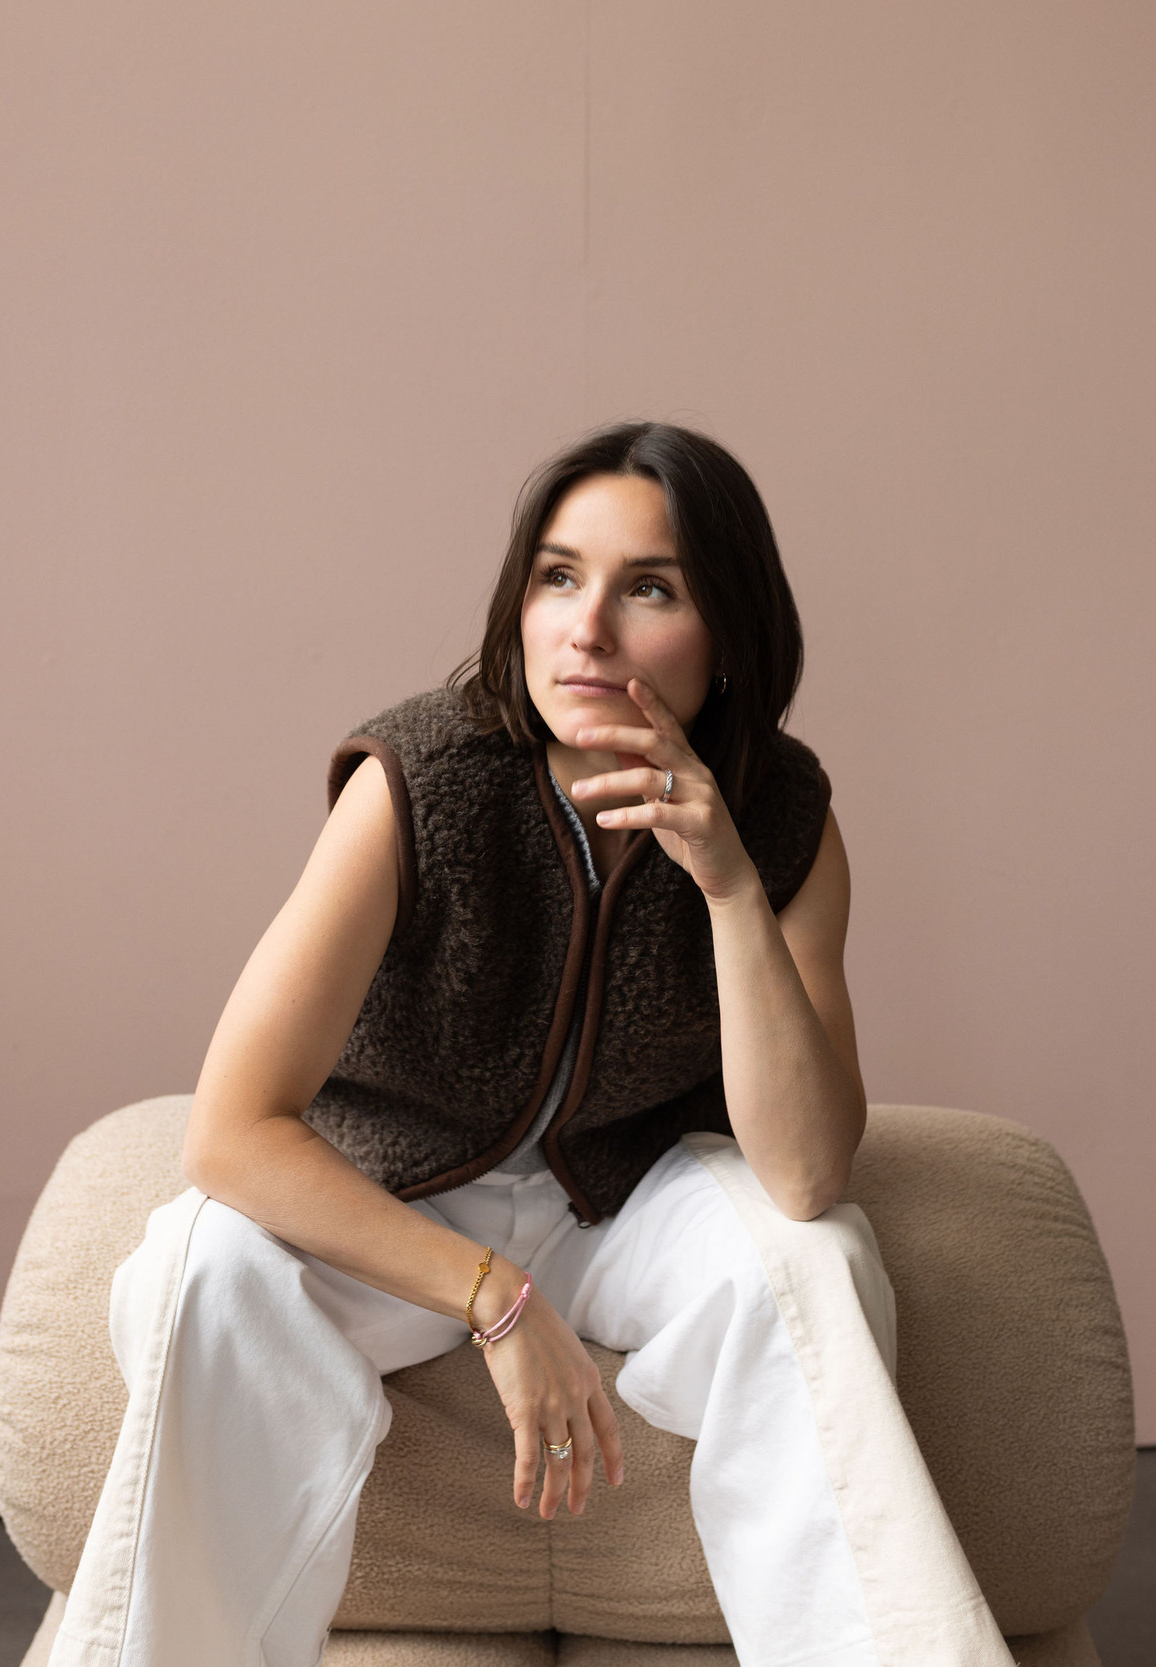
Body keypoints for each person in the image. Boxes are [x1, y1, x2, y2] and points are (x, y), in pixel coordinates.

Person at [49, 422, 1012, 1667]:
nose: (585, 628)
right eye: (558, 576)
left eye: (648, 588)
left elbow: (805, 1169)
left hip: (623, 1200)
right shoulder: (418, 779)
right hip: (403, 1191)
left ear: (727, 634)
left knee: (815, 1257)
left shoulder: (782, 818)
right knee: (201, 1261)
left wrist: (726, 885)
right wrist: (493, 1299)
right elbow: (230, 1132)